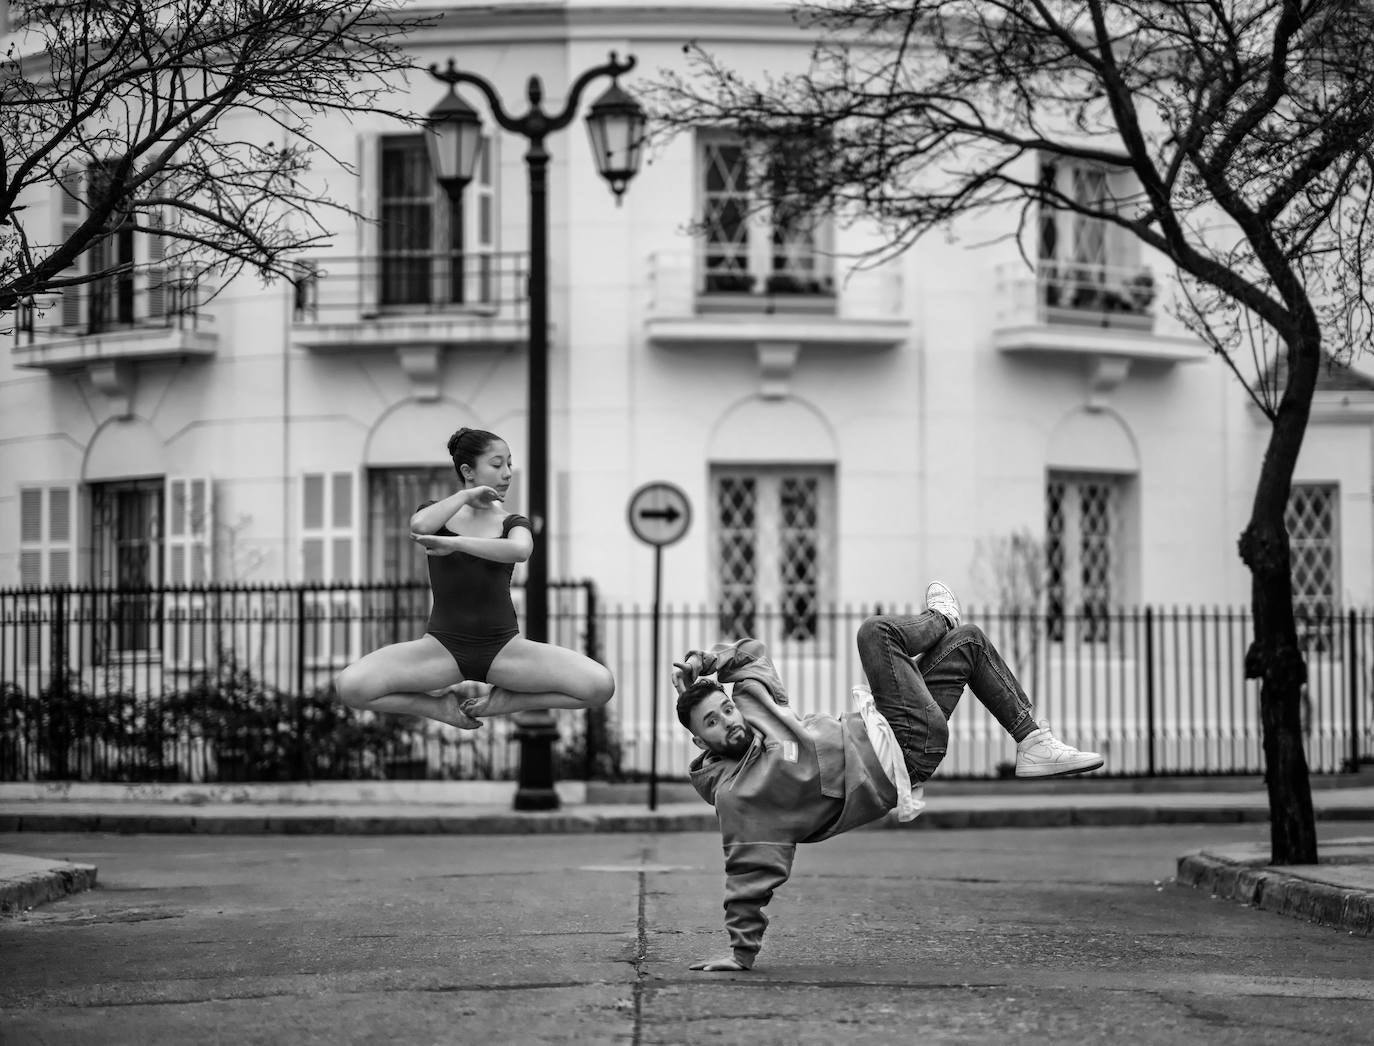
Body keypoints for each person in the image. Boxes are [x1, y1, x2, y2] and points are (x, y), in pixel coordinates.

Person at [672, 580, 1102, 973]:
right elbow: (748, 873)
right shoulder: (740, 796)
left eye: (724, 708)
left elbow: (750, 656)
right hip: (903, 750)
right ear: (700, 742)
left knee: (967, 643)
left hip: (889, 724)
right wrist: (740, 953)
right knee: (874, 634)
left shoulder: (755, 708)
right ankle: (939, 619)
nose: (727, 720)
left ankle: (1033, 742)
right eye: (711, 722)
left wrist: (707, 662)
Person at [336, 427, 615, 730]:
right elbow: (419, 525)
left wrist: (455, 544)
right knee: (351, 686)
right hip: (441, 649)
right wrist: (466, 495)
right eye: (497, 465)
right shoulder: (436, 514)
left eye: (509, 463)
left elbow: (520, 551)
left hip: (504, 650)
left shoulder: (512, 523)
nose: (507, 473)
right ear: (468, 471)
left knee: (600, 685)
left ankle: (506, 701)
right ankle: (437, 707)